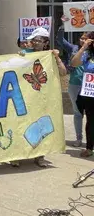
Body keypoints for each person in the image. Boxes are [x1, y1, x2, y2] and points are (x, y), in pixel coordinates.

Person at [12, 27, 68, 167]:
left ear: (45, 42)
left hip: (44, 98)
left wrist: (57, 58)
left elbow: (63, 72)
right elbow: (14, 67)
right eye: (33, 40)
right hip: (27, 97)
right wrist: (18, 57)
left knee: (41, 126)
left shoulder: (50, 55)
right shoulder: (26, 54)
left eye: (38, 40)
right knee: (22, 124)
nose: (35, 43)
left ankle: (40, 155)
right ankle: (17, 155)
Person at [57, 18, 88, 147]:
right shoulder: (73, 48)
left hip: (89, 86)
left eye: (86, 38)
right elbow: (60, 40)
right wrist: (63, 25)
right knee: (77, 113)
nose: (83, 40)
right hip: (75, 85)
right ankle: (78, 138)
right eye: (81, 38)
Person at [71, 32, 94, 157]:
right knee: (91, 121)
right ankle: (89, 147)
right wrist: (84, 47)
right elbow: (74, 63)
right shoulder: (87, 55)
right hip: (89, 94)